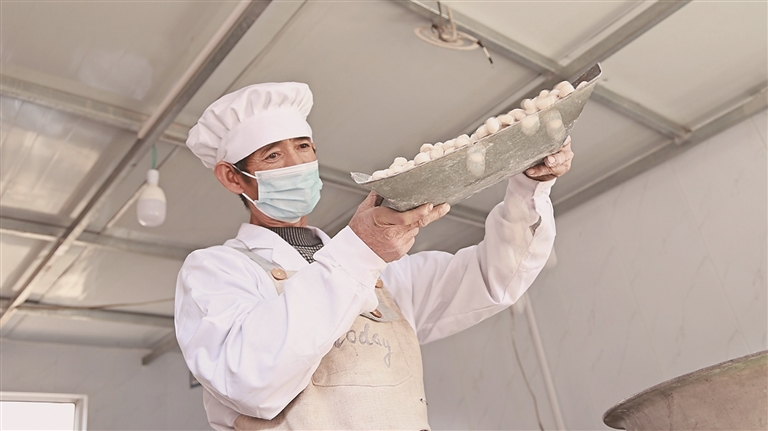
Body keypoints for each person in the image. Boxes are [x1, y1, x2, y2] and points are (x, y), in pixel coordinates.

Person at [175, 82, 573, 431]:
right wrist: (360, 250)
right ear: (233, 177)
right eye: (273, 156)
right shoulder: (216, 270)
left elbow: (493, 278)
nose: (297, 165)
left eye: (303, 147)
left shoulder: (384, 277)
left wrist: (528, 187)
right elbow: (250, 381)